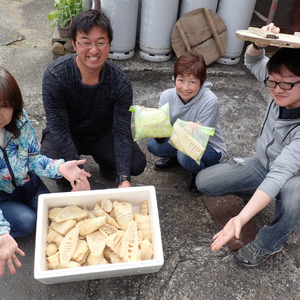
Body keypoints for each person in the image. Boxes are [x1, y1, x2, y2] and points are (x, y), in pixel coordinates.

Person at [196, 23, 300, 267]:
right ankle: (256, 194)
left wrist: (241, 218)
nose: (276, 90)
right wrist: (259, 43)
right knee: (204, 182)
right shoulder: (279, 83)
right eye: (272, 82)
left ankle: (269, 243)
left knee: (293, 195)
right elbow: (253, 62)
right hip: (264, 163)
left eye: (285, 84)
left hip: (293, 175)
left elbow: (281, 173)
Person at [40, 9, 146, 191]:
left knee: (135, 163)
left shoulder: (120, 82)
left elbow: (121, 131)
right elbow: (59, 130)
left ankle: (108, 167)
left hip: (102, 134)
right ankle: (66, 180)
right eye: (86, 43)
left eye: (101, 42)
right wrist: (78, 174)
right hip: (69, 132)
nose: (94, 50)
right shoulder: (55, 76)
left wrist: (123, 178)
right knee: (51, 158)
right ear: (73, 43)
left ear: (109, 44)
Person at [0, 66, 91, 276]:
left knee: (54, 217)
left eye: (4, 105)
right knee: (27, 222)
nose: (0, 114)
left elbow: (32, 158)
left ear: (14, 103)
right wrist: (2, 230)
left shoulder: (20, 120)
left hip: (28, 185)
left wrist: (59, 167)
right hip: (3, 196)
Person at [147, 51, 226, 192]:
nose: (185, 87)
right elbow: (161, 136)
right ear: (174, 79)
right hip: (180, 139)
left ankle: (201, 174)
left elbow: (198, 140)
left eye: (192, 82)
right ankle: (177, 159)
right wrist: (156, 127)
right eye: (181, 80)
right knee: (153, 145)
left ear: (201, 82)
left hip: (209, 147)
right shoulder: (167, 96)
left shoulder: (210, 101)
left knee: (185, 154)